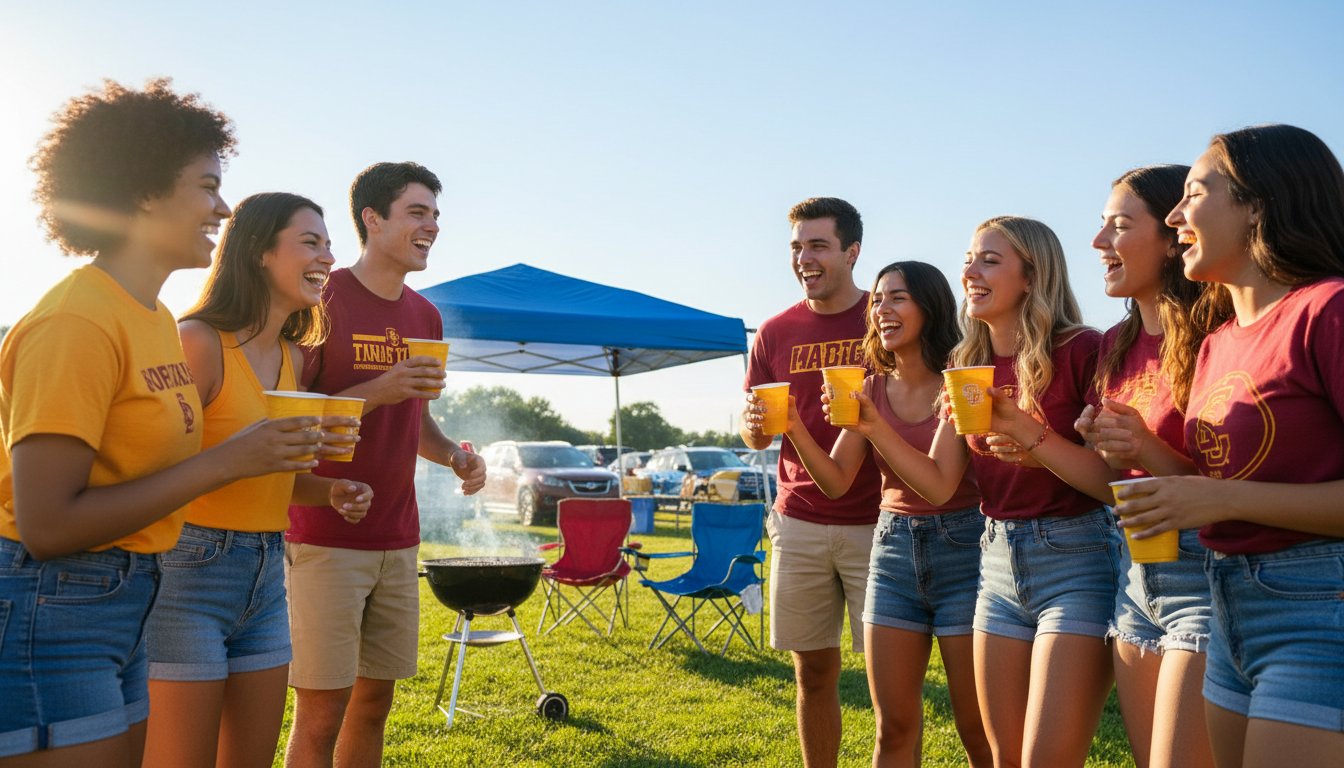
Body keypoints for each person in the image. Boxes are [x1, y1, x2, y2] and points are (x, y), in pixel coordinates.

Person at [0, 80, 322, 767]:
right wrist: (228, 460)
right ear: (145, 191)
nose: (223, 206)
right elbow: (48, 525)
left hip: (130, 600)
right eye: (207, 185)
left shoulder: (148, 318)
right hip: (53, 608)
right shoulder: (75, 321)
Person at [850, 216, 1123, 766]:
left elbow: (1111, 483)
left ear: (1032, 276)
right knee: (1004, 757)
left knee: (1045, 758)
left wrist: (1030, 436)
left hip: (1077, 558)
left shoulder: (1082, 350)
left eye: (989, 260)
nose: (969, 271)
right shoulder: (965, 364)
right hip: (995, 560)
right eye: (969, 259)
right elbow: (938, 482)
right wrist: (872, 427)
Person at [1113, 124, 1344, 767]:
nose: (1176, 214)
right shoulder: (1217, 342)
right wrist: (1152, 457)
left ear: (1257, 206)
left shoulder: (1328, 310)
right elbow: (1223, 484)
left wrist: (1212, 496)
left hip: (1317, 610)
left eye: (1193, 192)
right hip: (1226, 606)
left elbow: (1227, 492)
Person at [140, 193, 375, 768]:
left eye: (328, 242)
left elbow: (277, 479)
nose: (328, 254)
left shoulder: (293, 358)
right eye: (310, 242)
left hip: (270, 573)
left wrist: (329, 490)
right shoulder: (198, 342)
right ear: (259, 252)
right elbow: (149, 473)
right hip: (189, 572)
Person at [283, 162, 487, 768]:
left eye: (435, 216)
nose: (432, 226)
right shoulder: (323, 299)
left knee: (374, 707)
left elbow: (414, 420)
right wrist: (384, 384)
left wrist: (454, 454)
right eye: (417, 213)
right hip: (324, 534)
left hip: (398, 538)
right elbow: (290, 417)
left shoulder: (426, 317)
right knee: (320, 713)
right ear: (372, 219)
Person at [783, 261, 991, 767]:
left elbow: (940, 486)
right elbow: (835, 481)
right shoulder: (872, 389)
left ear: (930, 306)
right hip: (894, 551)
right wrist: (792, 426)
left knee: (977, 726)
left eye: (897, 298)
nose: (881, 309)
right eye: (877, 299)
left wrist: (876, 428)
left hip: (963, 551)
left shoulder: (958, 384)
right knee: (893, 725)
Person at [1072, 166, 1215, 768]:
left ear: (1171, 234)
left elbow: (1233, 490)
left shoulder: (1218, 332)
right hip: (1134, 574)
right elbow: (1114, 487)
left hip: (1206, 573)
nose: (1100, 241)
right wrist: (1086, 448)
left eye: (1120, 226)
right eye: (1101, 226)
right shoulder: (1115, 344)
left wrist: (1143, 448)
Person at [741, 197, 882, 768]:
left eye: (818, 245)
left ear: (852, 251)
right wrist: (753, 429)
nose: (805, 258)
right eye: (797, 247)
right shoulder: (775, 331)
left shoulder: (886, 315)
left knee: (888, 679)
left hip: (880, 521)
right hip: (798, 520)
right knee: (813, 672)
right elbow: (757, 436)